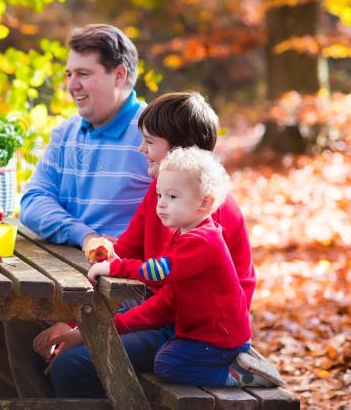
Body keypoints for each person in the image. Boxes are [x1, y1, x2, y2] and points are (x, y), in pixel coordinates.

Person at [31, 91, 279, 397]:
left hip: (197, 334)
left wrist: (83, 332)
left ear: (180, 150)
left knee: (74, 363)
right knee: (34, 332)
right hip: (166, 313)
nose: (141, 149)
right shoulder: (160, 196)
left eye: (150, 142)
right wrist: (72, 321)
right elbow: (126, 254)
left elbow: (173, 298)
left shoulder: (210, 212)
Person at [0, 24, 152, 397]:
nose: (72, 84)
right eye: (69, 74)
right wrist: (83, 234)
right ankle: (26, 401)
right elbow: (33, 202)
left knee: (19, 315)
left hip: (128, 284)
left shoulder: (151, 132)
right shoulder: (67, 133)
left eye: (83, 73)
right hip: (66, 272)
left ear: (119, 74)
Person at [86, 147, 282, 388]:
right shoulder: (188, 234)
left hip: (218, 338)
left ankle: (237, 374)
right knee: (166, 354)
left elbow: (158, 273)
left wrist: (115, 267)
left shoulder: (202, 241)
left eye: (172, 197)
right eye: (159, 195)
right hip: (204, 333)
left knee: (168, 364)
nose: (161, 205)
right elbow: (170, 297)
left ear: (205, 202)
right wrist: (121, 322)